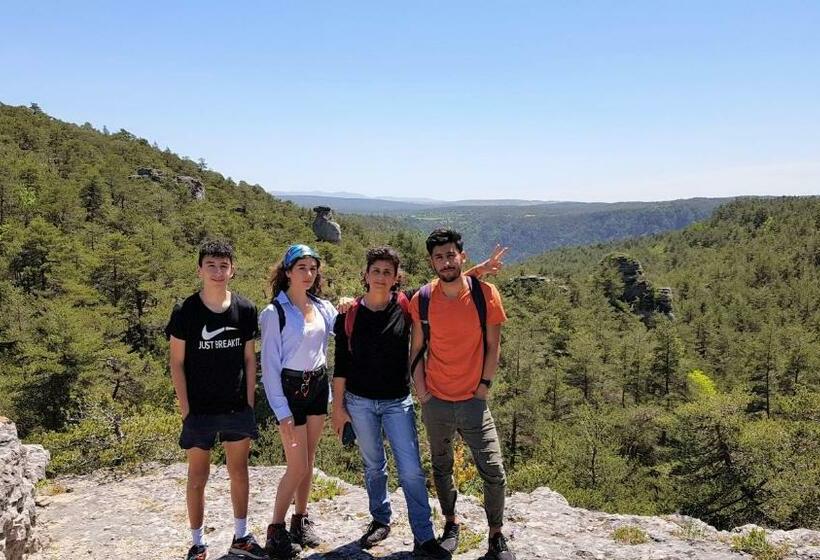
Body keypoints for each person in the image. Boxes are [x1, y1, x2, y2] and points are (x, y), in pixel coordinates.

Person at [332, 245, 506, 559]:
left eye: (388, 272)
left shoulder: (406, 303)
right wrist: (338, 407)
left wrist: (478, 270)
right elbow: (341, 365)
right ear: (365, 275)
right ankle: (380, 519)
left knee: (411, 470)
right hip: (359, 402)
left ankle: (423, 537)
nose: (381, 277)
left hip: (397, 401)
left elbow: (446, 286)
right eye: (376, 271)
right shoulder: (349, 314)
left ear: (397, 277)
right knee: (374, 467)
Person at [410, 229, 516, 560]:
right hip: (436, 400)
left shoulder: (486, 295)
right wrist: (422, 391)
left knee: (494, 470)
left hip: (473, 400)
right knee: (441, 468)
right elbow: (416, 348)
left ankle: (496, 534)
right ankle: (451, 524)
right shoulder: (423, 299)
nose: (446, 261)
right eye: (439, 257)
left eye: (451, 255)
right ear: (432, 262)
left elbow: (492, 345)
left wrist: (483, 387)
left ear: (462, 257)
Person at [166, 240, 267, 560]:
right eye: (211, 265)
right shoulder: (186, 312)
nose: (218, 271)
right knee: (198, 476)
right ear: (199, 270)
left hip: (236, 405)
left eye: (224, 265)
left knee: (239, 471)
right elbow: (176, 362)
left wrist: (249, 401)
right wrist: (186, 409)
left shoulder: (246, 309)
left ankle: (241, 536)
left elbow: (250, 359)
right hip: (200, 409)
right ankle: (197, 543)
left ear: (232, 270)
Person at [259, 244, 338, 559]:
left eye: (313, 268)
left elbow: (347, 325)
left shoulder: (322, 307)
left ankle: (300, 520)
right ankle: (275, 530)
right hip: (290, 391)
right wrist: (281, 411)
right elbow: (269, 367)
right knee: (297, 464)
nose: (308, 273)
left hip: (317, 386)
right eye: (301, 267)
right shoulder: (273, 313)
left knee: (310, 460)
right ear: (288, 271)